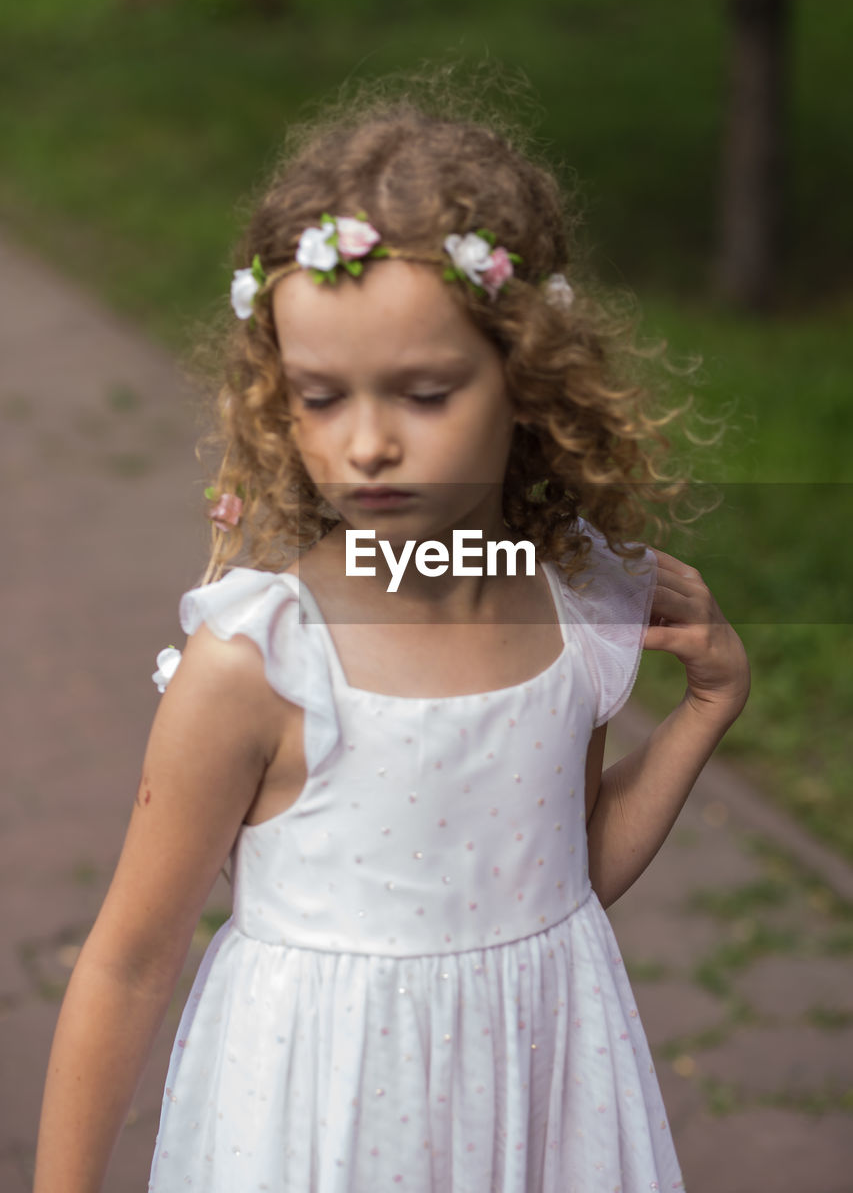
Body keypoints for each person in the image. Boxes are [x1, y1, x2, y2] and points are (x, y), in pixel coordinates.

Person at [34, 84, 750, 1193]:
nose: (365, 443)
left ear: (527, 379)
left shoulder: (569, 607)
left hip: (538, 1106)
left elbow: (558, 882)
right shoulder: (263, 663)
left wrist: (704, 712)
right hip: (318, 1125)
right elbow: (127, 965)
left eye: (423, 391)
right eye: (321, 398)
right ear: (278, 393)